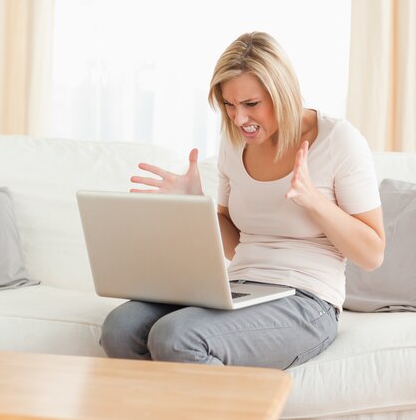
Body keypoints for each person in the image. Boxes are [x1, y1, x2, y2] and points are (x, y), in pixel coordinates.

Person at [100, 31, 385, 369]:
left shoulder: (339, 141)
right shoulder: (234, 142)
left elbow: (372, 254)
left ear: (283, 95)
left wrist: (315, 202)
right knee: (120, 329)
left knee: (177, 337)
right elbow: (235, 246)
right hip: (241, 286)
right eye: (229, 105)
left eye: (251, 104)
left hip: (308, 299)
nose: (239, 119)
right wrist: (196, 204)